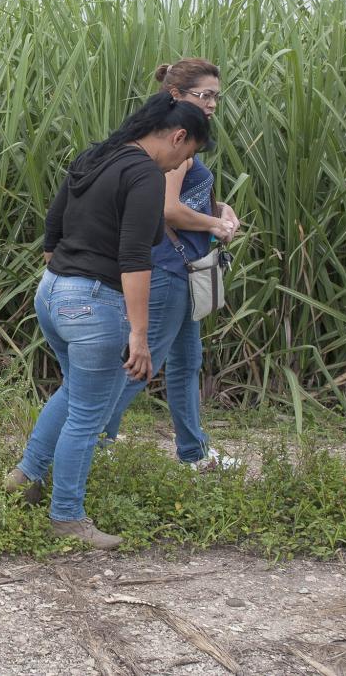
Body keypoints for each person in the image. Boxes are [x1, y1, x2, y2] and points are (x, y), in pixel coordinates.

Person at [4, 92, 215, 549]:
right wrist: (138, 335)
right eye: (188, 153)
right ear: (177, 137)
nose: (182, 162)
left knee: (74, 391)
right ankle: (67, 517)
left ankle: (25, 476)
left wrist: (66, 277)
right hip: (94, 303)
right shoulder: (144, 174)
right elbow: (136, 259)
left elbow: (53, 227)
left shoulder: (94, 155)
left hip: (52, 290)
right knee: (87, 414)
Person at [101, 59, 240, 470]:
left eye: (216, 95)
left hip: (181, 268)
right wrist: (216, 224)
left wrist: (219, 208)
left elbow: (187, 201)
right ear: (177, 95)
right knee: (144, 362)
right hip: (168, 268)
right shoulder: (175, 145)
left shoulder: (180, 139)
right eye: (205, 95)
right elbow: (168, 210)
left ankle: (194, 453)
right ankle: (91, 434)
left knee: (185, 362)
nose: (213, 103)